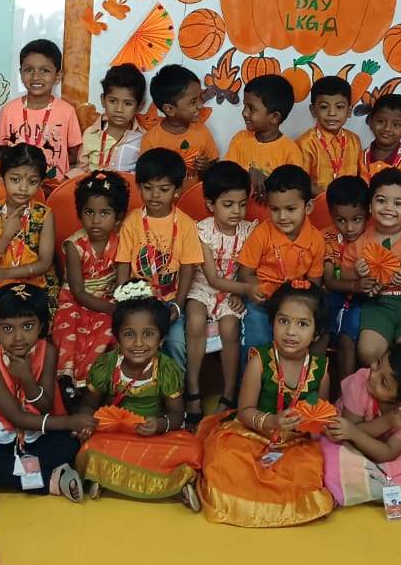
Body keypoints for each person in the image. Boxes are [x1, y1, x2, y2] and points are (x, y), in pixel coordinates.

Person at [197, 281, 335, 526]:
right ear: (272, 323)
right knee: (225, 458)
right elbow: (245, 412)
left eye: (302, 324)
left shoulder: (321, 370)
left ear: (316, 333)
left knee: (308, 470)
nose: (291, 331)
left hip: (294, 443)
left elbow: (319, 416)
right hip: (253, 434)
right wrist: (272, 421)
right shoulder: (259, 361)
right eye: (283, 321)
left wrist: (310, 424)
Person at [75, 281, 203, 509]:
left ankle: (109, 476)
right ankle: (169, 481)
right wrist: (86, 423)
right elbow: (88, 405)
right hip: (114, 435)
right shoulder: (106, 366)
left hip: (154, 436)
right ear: (117, 337)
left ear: (161, 339)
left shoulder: (166, 369)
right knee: (91, 447)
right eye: (129, 334)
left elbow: (177, 415)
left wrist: (159, 424)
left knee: (193, 448)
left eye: (148, 334)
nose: (138, 343)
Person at [0, 283, 93, 502]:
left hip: (36, 432)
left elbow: (44, 405)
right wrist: (70, 422)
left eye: (28, 326)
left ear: (41, 326)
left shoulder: (47, 351)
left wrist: (27, 378)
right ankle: (52, 480)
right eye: (7, 329)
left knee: (70, 443)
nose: (18, 337)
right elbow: (17, 418)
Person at [322, 342, 401, 519]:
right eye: (379, 362)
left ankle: (370, 486)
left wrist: (360, 435)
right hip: (348, 446)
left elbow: (388, 453)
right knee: (331, 467)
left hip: (382, 455)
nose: (373, 373)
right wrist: (386, 422)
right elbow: (348, 433)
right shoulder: (359, 383)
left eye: (383, 382)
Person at [184, 161, 260, 426]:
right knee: (195, 320)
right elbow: (213, 278)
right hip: (203, 288)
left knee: (230, 327)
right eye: (228, 205)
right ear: (210, 204)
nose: (237, 211)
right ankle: (193, 389)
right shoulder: (202, 231)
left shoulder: (250, 231)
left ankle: (229, 394)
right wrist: (248, 289)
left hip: (233, 290)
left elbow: (249, 270)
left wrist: (241, 292)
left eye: (242, 204)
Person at [115, 148, 204, 369]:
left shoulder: (186, 224)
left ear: (177, 189)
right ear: (138, 187)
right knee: (130, 344)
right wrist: (122, 300)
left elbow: (188, 268)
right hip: (138, 300)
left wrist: (178, 306)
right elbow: (123, 263)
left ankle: (176, 387)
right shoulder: (132, 221)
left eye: (164, 189)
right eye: (148, 188)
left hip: (169, 300)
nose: (155, 195)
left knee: (176, 344)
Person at [345, 169, 401, 366]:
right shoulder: (361, 241)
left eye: (398, 203)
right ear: (370, 205)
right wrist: (357, 274)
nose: (389, 208)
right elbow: (344, 274)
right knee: (368, 353)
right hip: (378, 305)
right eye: (381, 200)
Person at [51, 171, 128, 399]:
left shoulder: (122, 242)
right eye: (89, 212)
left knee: (106, 331)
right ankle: (67, 381)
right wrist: (111, 308)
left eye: (105, 213)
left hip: (108, 299)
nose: (95, 220)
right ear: (79, 213)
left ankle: (92, 383)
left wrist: (115, 306)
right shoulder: (75, 245)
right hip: (76, 301)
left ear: (118, 216)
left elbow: (122, 284)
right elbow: (78, 291)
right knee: (68, 329)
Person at [236, 165, 326, 352]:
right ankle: (253, 371)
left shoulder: (316, 239)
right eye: (275, 209)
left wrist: (295, 305)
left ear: (308, 207)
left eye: (291, 209)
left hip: (295, 303)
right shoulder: (261, 233)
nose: (282, 216)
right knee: (258, 335)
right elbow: (245, 274)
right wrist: (264, 291)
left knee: (306, 334)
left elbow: (313, 286)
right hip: (262, 301)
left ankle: (298, 371)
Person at [0, 39, 81, 182]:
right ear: (21, 72)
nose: (36, 77)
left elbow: (74, 154)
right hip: (18, 186)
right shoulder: (9, 110)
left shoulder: (67, 112)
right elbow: (0, 152)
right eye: (29, 70)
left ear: (58, 75)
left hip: (54, 185)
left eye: (45, 71)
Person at [0, 143, 55, 291]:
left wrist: (6, 273)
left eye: (32, 182)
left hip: (35, 286)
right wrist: (6, 236)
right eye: (15, 179)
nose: (23, 188)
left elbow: (44, 263)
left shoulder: (45, 215)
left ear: (40, 182)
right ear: (1, 179)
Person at [321, 175, 371, 389]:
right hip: (332, 297)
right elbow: (329, 280)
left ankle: (346, 394)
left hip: (362, 301)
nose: (349, 227)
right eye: (341, 220)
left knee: (347, 340)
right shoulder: (326, 238)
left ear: (368, 213)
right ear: (330, 214)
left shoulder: (374, 238)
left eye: (357, 219)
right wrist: (355, 284)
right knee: (320, 336)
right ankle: (312, 389)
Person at [226, 73, 304, 197]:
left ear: (274, 117)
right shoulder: (239, 140)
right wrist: (249, 171)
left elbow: (294, 192)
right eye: (245, 105)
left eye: (252, 108)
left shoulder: (290, 150)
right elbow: (226, 176)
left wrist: (269, 185)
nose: (244, 113)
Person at [140, 64, 219, 185]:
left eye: (199, 98)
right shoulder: (150, 140)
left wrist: (206, 167)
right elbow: (147, 180)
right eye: (193, 102)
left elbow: (214, 168)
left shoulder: (202, 132)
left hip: (196, 196)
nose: (200, 105)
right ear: (169, 109)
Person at [297, 75, 362, 194]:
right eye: (324, 107)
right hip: (318, 202)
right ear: (313, 110)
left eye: (339, 107)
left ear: (349, 111)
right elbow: (302, 183)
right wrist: (329, 198)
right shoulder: (305, 143)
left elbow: (359, 177)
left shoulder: (354, 140)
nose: (332, 113)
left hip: (350, 202)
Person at [77, 63, 146, 173]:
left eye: (128, 103)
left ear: (139, 106)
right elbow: (81, 171)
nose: (119, 109)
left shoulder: (143, 139)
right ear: (103, 100)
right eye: (113, 101)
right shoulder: (90, 134)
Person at [359, 94, 401, 206]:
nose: (387, 128)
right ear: (370, 122)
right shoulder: (359, 157)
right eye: (381, 121)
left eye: (396, 125)